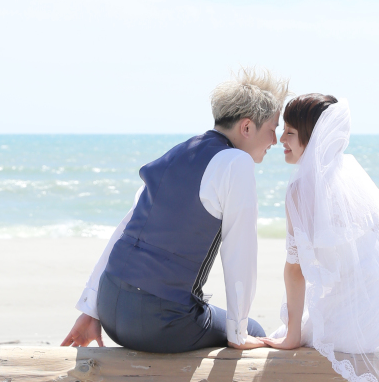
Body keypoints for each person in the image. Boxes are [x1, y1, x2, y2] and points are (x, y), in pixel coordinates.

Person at [61, 68, 288, 353]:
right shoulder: (236, 163)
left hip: (110, 305)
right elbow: (240, 253)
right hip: (158, 322)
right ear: (246, 127)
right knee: (254, 331)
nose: (275, 141)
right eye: (272, 129)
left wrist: (90, 310)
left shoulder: (180, 151)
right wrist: (238, 332)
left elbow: (126, 229)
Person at [264, 93, 379, 382]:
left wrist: (293, 335)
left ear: (313, 138)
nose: (281, 138)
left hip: (356, 326)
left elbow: (295, 270)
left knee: (284, 332)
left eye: (291, 132)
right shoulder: (354, 176)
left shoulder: (299, 190)